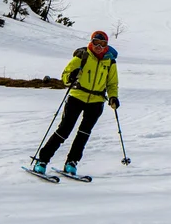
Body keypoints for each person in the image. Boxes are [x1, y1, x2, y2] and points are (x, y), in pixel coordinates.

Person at [33, 30, 119, 177]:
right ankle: (42, 161)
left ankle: (71, 162)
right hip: (77, 97)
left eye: (102, 43)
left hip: (96, 101)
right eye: (95, 42)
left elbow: (112, 84)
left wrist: (113, 97)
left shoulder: (110, 62)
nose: (98, 46)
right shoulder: (82, 56)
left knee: (83, 134)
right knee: (64, 130)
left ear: (106, 45)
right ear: (91, 42)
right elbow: (65, 77)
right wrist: (71, 76)